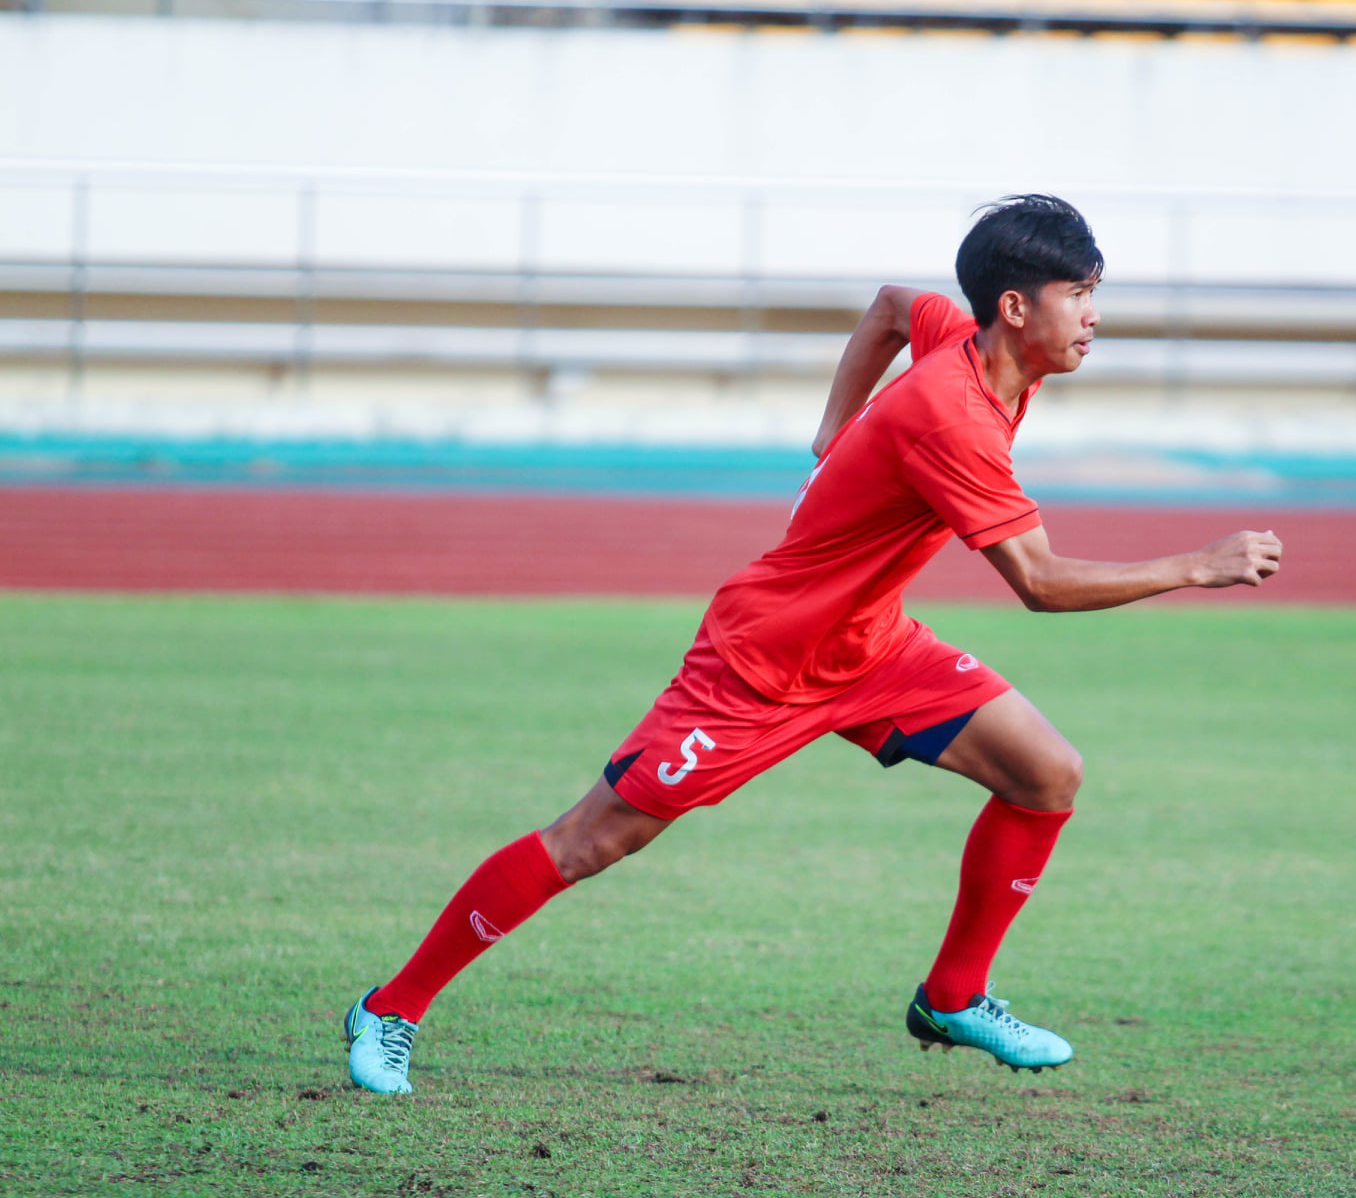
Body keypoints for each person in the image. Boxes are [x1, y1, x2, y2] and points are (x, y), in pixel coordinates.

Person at [343, 195, 1284, 1093]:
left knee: (1048, 773)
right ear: (1015, 306)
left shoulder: (975, 348)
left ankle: (952, 999)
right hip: (760, 666)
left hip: (871, 648)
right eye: (1079, 296)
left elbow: (885, 306)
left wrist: (834, 429)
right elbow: (1038, 582)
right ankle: (390, 1006)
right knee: (593, 840)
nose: (1092, 318)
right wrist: (1195, 567)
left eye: (1093, 295)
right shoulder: (953, 414)